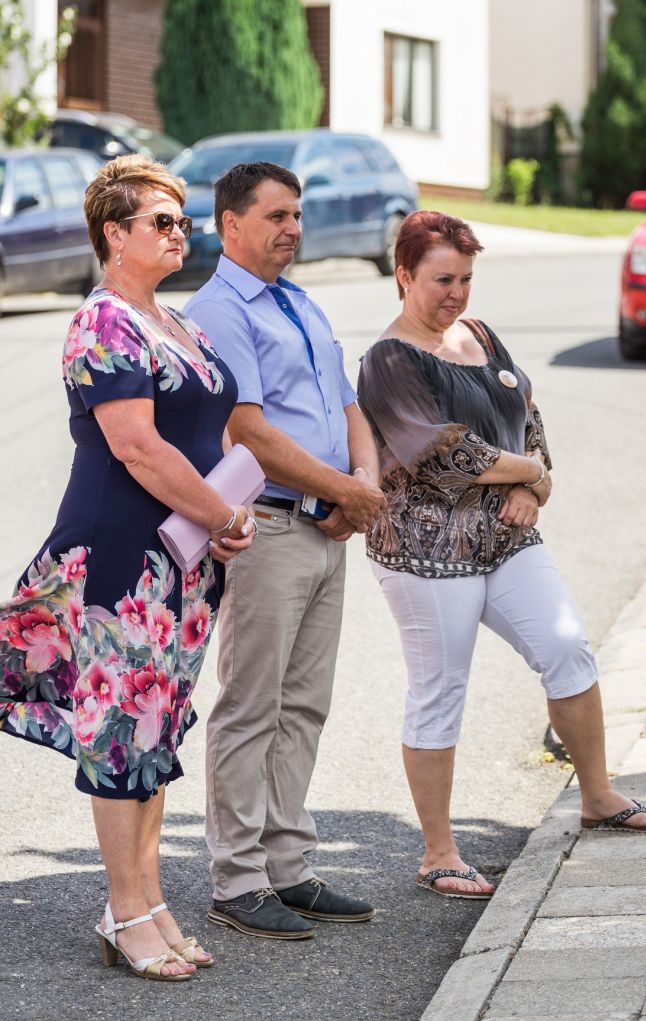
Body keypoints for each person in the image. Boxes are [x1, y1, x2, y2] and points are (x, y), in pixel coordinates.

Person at [356, 210, 646, 899]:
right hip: (426, 552)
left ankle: (597, 796)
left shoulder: (478, 335)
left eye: (466, 279)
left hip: (506, 535)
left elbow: (524, 411)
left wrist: (533, 483)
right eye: (442, 280)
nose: (457, 294)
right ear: (403, 275)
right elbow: (442, 455)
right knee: (439, 689)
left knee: (567, 649)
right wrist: (529, 474)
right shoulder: (388, 360)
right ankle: (438, 854)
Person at [0, 155, 256, 979]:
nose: (181, 232)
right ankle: (128, 911)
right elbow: (137, 447)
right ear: (114, 234)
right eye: (162, 221)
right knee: (121, 735)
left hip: (184, 561)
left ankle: (144, 903)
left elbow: (212, 431)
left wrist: (225, 514)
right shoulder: (103, 322)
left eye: (184, 220)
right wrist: (222, 514)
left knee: (156, 732)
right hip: (121, 560)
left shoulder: (177, 324)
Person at [185, 161, 386, 940]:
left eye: (296, 215)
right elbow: (248, 432)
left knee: (303, 703)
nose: (292, 229)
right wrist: (345, 492)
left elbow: (347, 406)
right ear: (230, 224)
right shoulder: (218, 308)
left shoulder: (299, 301)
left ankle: (287, 865)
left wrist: (360, 484)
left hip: (325, 523)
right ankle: (237, 880)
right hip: (266, 527)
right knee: (251, 703)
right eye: (276, 216)